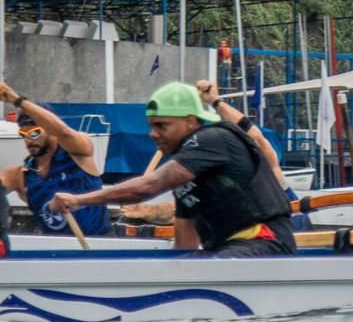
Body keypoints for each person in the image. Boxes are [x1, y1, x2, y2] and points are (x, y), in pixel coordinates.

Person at [48, 82, 295, 256]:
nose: (152, 134)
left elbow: (148, 186)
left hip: (265, 242)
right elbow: (185, 244)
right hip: (231, 249)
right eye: (151, 126)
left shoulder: (213, 138)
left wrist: (80, 200)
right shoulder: (187, 173)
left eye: (162, 125)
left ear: (190, 121)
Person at [0, 81, 111, 237]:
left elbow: (63, 132)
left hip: (99, 246)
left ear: (50, 130)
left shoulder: (78, 152)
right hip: (54, 252)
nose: (29, 141)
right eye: (23, 135)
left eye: (35, 133)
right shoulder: (19, 176)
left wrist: (17, 100)